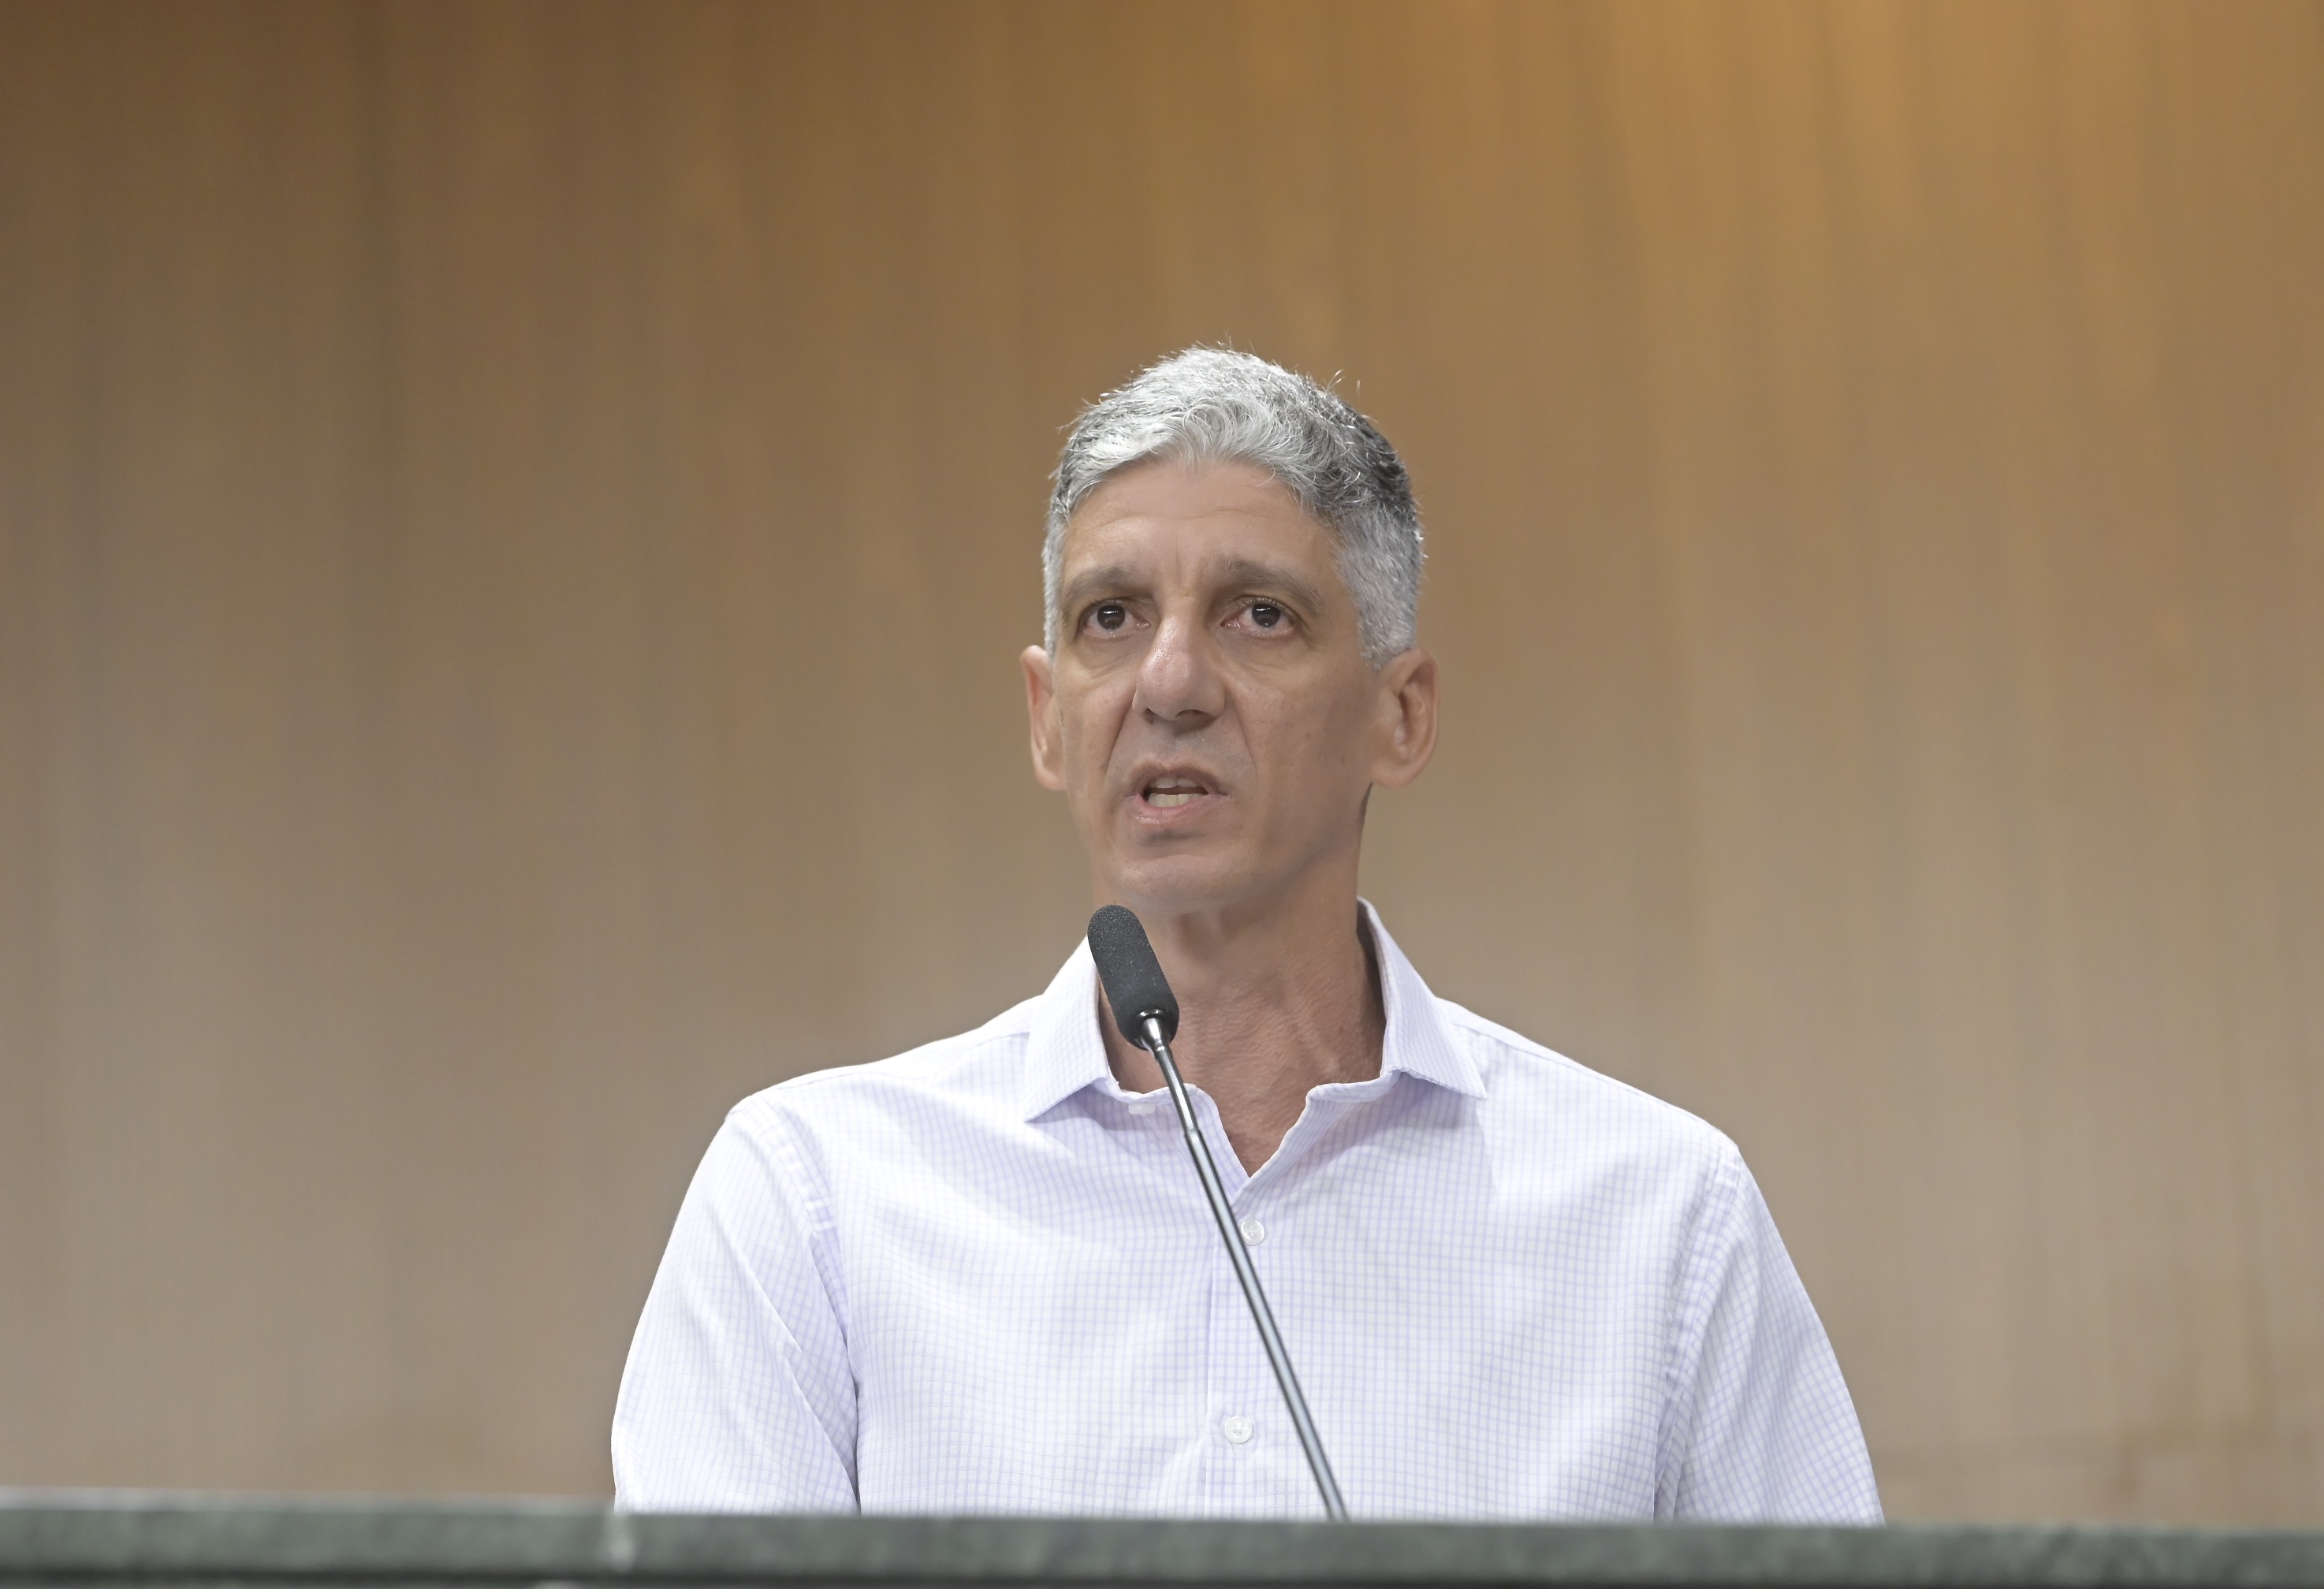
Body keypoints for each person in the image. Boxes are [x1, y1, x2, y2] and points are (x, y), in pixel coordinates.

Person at [612, 348, 1880, 1521]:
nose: (1169, 684)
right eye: (1111, 617)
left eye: (1258, 615)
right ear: (1049, 717)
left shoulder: (1657, 1222)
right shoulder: (816, 1204)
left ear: (1400, 715)